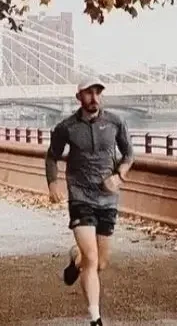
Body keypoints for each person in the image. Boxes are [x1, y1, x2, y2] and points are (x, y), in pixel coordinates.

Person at [46, 80, 133, 326]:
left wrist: (120, 176)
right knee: (93, 259)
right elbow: (52, 156)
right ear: (79, 97)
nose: (94, 97)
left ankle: (76, 259)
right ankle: (95, 318)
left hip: (107, 199)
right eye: (89, 93)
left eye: (98, 92)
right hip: (80, 196)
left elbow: (129, 154)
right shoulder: (67, 127)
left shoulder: (115, 122)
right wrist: (53, 184)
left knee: (100, 263)